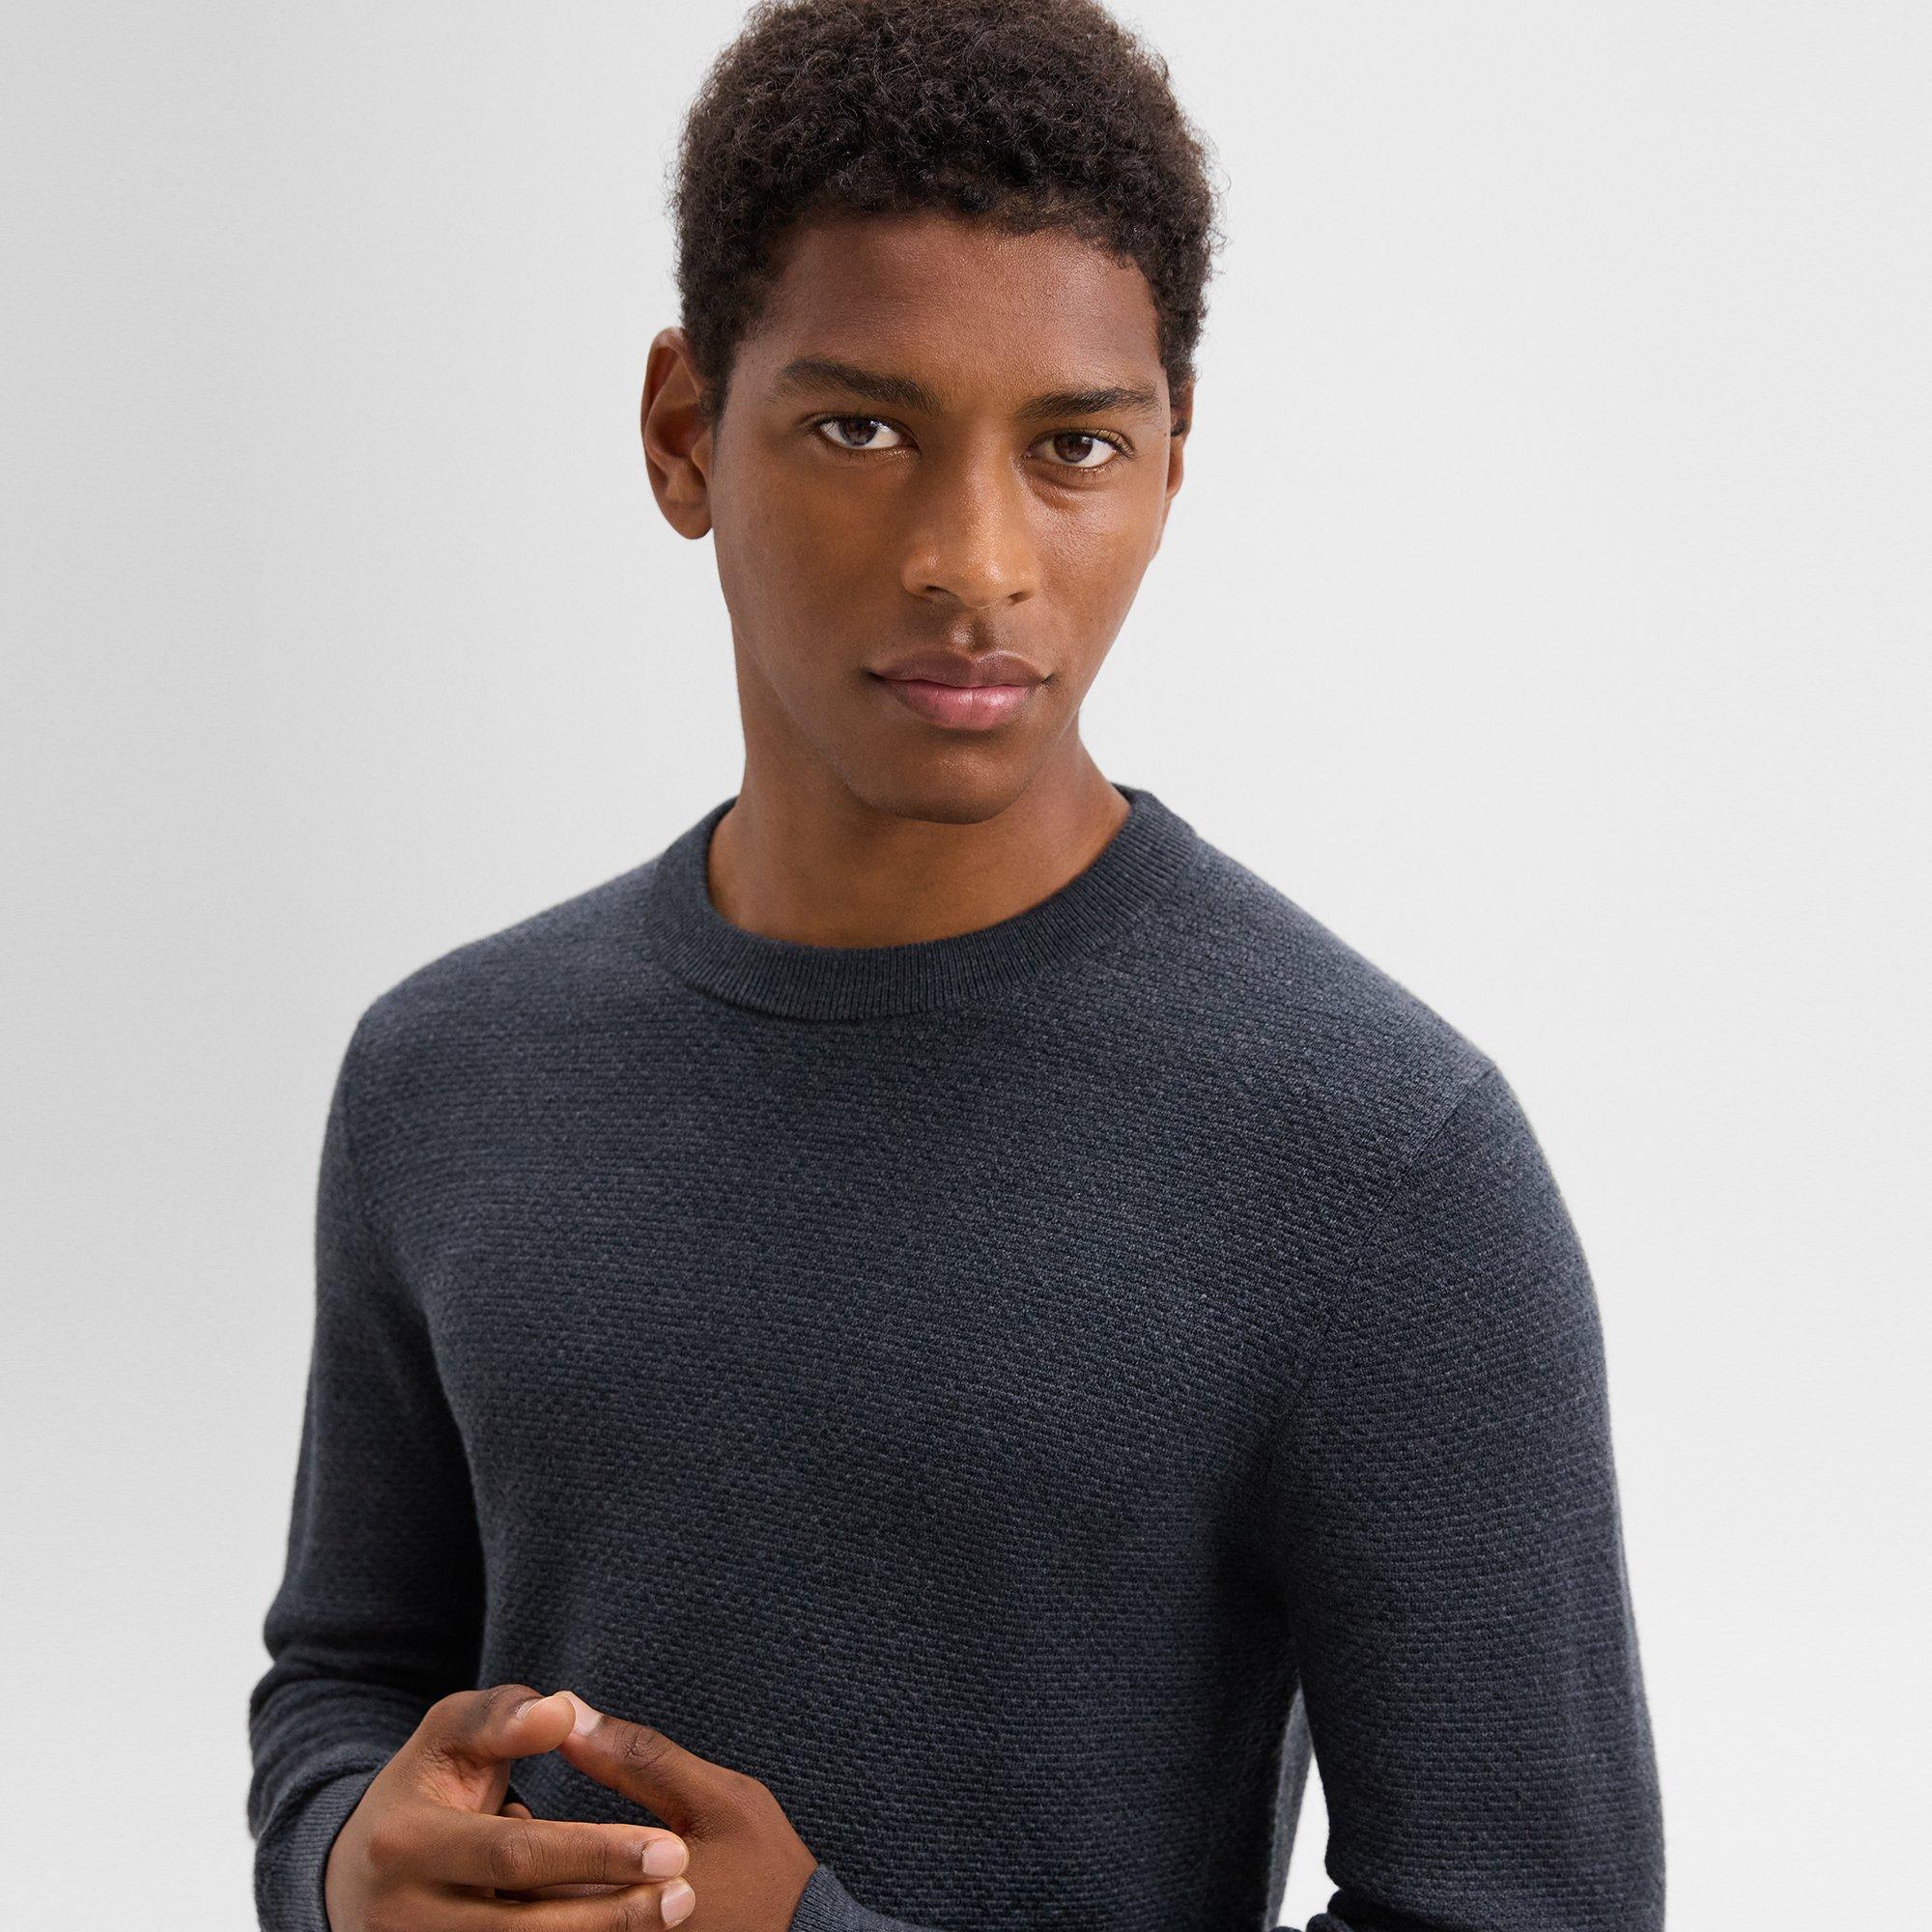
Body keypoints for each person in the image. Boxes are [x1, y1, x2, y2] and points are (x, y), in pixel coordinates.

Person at [246, 2, 1666, 1928]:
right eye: (862, 428)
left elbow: (1530, 1905)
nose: (973, 561)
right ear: (683, 430)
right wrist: (342, 1859)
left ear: (1169, 464)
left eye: (1072, 445)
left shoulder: (1380, 1159)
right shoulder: (444, 1074)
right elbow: (347, 1674)